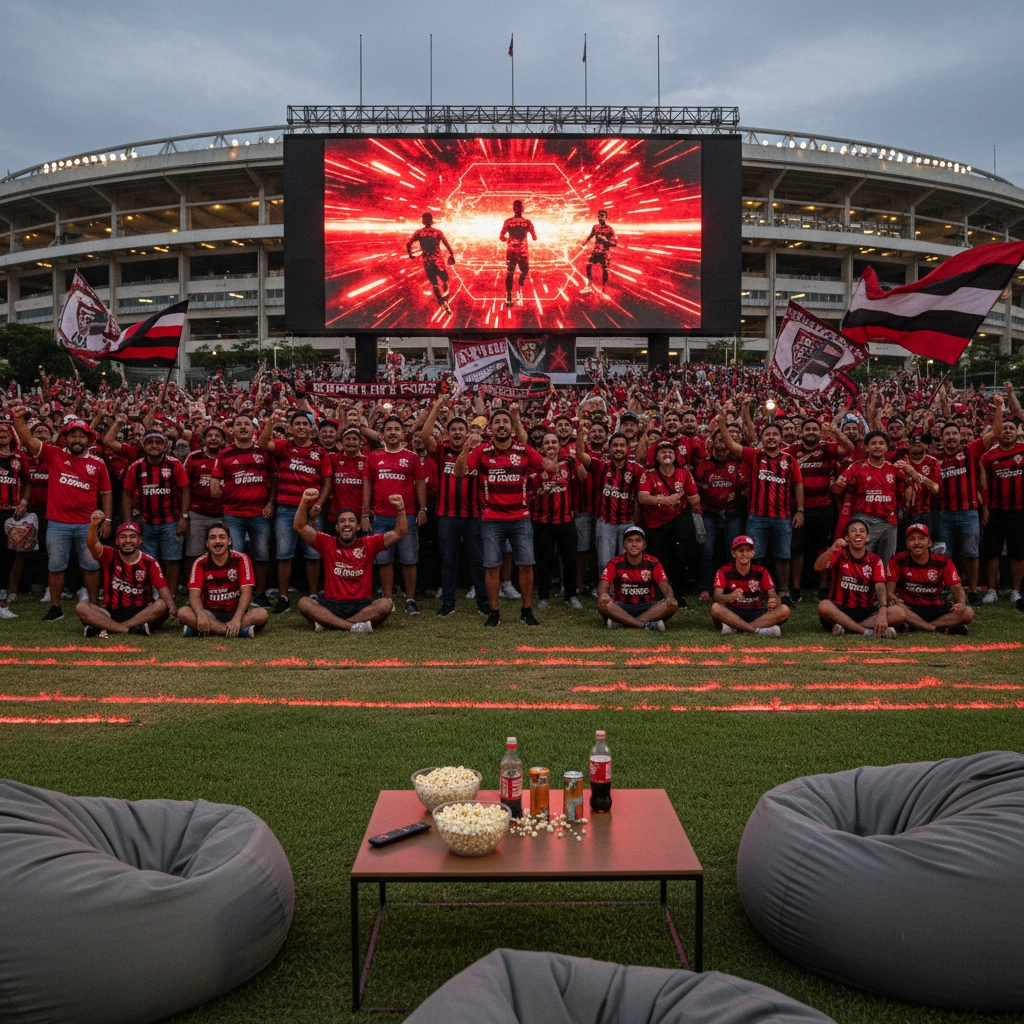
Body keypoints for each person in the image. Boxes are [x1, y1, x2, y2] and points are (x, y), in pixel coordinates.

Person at [8, 401, 112, 622]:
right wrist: (18, 420)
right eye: (72, 436)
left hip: (88, 524)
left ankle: (93, 606)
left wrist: (108, 519)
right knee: (56, 566)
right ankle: (56, 608)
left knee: (91, 566)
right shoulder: (54, 455)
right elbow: (28, 440)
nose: (76, 440)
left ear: (88, 439)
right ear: (65, 438)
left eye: (81, 436)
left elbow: (106, 493)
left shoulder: (98, 463)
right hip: (57, 522)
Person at [455, 407, 555, 627]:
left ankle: (526, 611)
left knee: (527, 565)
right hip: (491, 518)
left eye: (505, 422)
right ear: (490, 428)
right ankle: (494, 613)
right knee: (492, 567)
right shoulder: (481, 451)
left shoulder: (524, 450)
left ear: (511, 427)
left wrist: (550, 459)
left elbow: (549, 467)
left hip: (521, 517)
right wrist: (465, 449)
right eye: (497, 422)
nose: (501, 425)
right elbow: (459, 472)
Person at [714, 412, 804, 606]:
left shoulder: (789, 460)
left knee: (783, 556)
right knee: (757, 556)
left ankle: (784, 593)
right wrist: (722, 424)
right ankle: (754, 591)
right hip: (757, 517)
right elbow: (732, 445)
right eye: (767, 434)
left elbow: (798, 484)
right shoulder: (755, 456)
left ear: (781, 439)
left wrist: (800, 510)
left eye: (775, 434)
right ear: (761, 439)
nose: (771, 437)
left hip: (783, 517)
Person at [294, 488, 404, 632]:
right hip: (332, 604)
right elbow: (300, 526)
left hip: (361, 605)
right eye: (342, 521)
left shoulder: (369, 543)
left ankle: (330, 622)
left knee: (385, 604)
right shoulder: (327, 542)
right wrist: (304, 502)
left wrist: (401, 510)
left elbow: (400, 532)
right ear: (337, 527)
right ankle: (353, 627)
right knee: (304, 603)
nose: (346, 524)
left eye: (351, 521)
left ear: (358, 526)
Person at [420, 388, 487, 616]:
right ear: (447, 434)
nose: (457, 432)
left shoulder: (478, 453)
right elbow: (424, 436)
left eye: (461, 429)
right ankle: (448, 604)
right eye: (453, 429)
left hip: (474, 516)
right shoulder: (442, 451)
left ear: (467, 432)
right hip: (447, 516)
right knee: (449, 561)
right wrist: (437, 407)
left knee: (477, 561)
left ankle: (483, 603)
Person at [257, 409, 331, 614]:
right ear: (290, 428)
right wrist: (271, 422)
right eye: (297, 424)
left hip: (311, 511)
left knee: (313, 553)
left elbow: (327, 483)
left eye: (304, 424)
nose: (301, 427)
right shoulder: (284, 447)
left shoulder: (320, 452)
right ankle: (283, 597)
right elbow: (263, 443)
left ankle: (314, 594)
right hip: (286, 508)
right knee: (283, 554)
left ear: (311, 428)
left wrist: (319, 505)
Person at [933, 396, 1002, 604]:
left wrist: (999, 407)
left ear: (960, 437)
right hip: (944, 514)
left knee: (970, 554)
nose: (952, 437)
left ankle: (972, 591)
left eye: (954, 433)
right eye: (947, 434)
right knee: (944, 556)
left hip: (968, 512)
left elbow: (996, 433)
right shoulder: (935, 459)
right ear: (941, 438)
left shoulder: (970, 451)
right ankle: (947, 591)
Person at [362, 415, 427, 614]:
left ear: (402, 434)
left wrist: (422, 509)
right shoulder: (373, 457)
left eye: (396, 429)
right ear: (382, 434)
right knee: (384, 560)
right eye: (389, 429)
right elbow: (367, 484)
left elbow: (420, 483)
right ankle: (388, 600)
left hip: (406, 516)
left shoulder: (412, 457)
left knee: (409, 559)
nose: (392, 432)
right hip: (380, 517)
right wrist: (365, 514)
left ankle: (410, 599)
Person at [76, 513, 176, 637]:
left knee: (162, 604)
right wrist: (94, 524)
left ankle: (107, 627)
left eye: (132, 536)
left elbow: (162, 587)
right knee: (81, 607)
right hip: (112, 612)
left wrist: (172, 608)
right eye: (123, 537)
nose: (128, 541)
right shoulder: (110, 555)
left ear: (140, 540)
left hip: (141, 612)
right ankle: (129, 629)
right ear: (117, 540)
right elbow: (92, 545)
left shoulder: (149, 562)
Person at [210, 413, 274, 606]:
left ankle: (260, 594)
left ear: (254, 429)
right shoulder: (224, 454)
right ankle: (235, 594)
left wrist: (271, 502)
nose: (243, 427)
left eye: (247, 424)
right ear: (233, 430)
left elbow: (274, 478)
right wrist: (229, 495)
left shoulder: (263, 453)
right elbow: (214, 486)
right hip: (233, 515)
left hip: (260, 514)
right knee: (233, 555)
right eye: (239, 424)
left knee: (261, 555)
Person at [787, 417, 851, 602]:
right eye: (807, 429)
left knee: (823, 548)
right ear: (802, 432)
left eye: (814, 429)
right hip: (799, 509)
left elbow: (848, 448)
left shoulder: (826, 448)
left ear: (819, 432)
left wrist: (834, 432)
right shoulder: (793, 450)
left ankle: (823, 589)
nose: (811, 433)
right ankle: (795, 590)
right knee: (797, 550)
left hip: (824, 507)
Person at [122, 431, 191, 596]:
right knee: (148, 561)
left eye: (158, 442)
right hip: (146, 522)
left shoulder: (174, 465)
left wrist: (184, 516)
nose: (154, 446)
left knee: (172, 560)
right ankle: (152, 594)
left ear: (165, 446)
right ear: (144, 446)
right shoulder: (136, 467)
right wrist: (127, 522)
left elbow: (185, 490)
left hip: (171, 521)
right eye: (150, 442)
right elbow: (127, 493)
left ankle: (171, 595)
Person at [816, 519, 905, 637]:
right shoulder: (839, 553)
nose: (858, 533)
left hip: (865, 610)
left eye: (862, 531)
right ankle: (867, 631)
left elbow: (880, 585)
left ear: (867, 538)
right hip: (841, 608)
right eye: (853, 531)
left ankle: (848, 627)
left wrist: (883, 610)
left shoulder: (875, 559)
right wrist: (833, 548)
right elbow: (818, 567)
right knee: (824, 606)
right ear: (847, 538)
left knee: (899, 613)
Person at [178, 522, 269, 638]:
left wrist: (236, 619)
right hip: (209, 613)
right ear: (207, 543)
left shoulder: (242, 559)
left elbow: (246, 592)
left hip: (236, 612)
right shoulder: (199, 563)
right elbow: (194, 595)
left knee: (261, 614)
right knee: (183, 613)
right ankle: (234, 631)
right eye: (212, 538)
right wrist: (201, 615)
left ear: (229, 541)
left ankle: (205, 630)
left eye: (222, 537)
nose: (217, 541)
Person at [637, 440, 700, 597]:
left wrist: (687, 497)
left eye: (670, 452)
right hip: (655, 525)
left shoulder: (684, 474)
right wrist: (665, 500)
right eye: (663, 452)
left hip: (677, 524)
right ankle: (659, 594)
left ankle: (679, 595)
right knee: (657, 560)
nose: (667, 454)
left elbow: (695, 498)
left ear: (675, 456)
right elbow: (642, 497)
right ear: (657, 457)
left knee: (678, 559)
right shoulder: (648, 475)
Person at [886, 523, 974, 635]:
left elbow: (957, 589)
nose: (917, 542)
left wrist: (960, 604)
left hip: (935, 607)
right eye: (912, 539)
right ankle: (933, 627)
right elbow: (889, 591)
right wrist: (894, 599)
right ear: (907, 544)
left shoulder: (943, 562)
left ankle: (918, 625)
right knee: (896, 609)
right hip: (909, 607)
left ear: (929, 542)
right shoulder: (897, 560)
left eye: (921, 539)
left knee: (968, 612)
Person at [694, 423, 747, 601]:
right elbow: (697, 488)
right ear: (713, 442)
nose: (722, 443)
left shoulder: (738, 462)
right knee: (707, 550)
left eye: (725, 440)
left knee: (731, 551)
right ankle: (705, 587)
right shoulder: (704, 464)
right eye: (718, 440)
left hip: (733, 512)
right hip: (709, 512)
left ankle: (729, 586)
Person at [831, 430, 900, 568]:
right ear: (867, 447)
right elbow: (836, 489)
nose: (877, 446)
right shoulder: (856, 467)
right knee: (861, 560)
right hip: (863, 520)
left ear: (886, 447)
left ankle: (883, 589)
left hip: (889, 521)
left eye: (881, 443)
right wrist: (841, 485)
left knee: (886, 563)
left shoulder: (894, 469)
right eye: (873, 443)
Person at [577, 429, 642, 572]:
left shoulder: (636, 469)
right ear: (609, 448)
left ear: (627, 448)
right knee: (605, 562)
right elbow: (581, 455)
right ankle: (606, 592)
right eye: (615, 445)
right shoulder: (601, 466)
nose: (618, 449)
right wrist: (580, 435)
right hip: (605, 522)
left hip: (627, 521)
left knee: (627, 560)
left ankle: (623, 591)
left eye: (621, 445)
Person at [530, 431, 582, 610]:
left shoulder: (568, 462)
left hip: (566, 520)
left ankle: (571, 595)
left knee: (569, 560)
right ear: (542, 447)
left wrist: (579, 457)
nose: (551, 445)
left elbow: (581, 478)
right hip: (543, 521)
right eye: (547, 443)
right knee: (544, 561)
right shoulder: (536, 465)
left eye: (554, 442)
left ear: (559, 446)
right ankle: (543, 597)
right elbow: (530, 491)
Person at [596, 525, 678, 631]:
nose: (634, 544)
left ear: (644, 544)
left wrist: (669, 596)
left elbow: (665, 585)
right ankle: (644, 625)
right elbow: (603, 584)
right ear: (624, 544)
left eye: (638, 541)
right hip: (621, 606)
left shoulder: (653, 562)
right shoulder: (615, 563)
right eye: (630, 541)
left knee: (673, 603)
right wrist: (604, 594)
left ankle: (624, 623)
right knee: (602, 601)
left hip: (647, 607)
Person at [978, 415, 1024, 604]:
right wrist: (985, 507)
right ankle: (992, 590)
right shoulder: (989, 456)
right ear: (998, 434)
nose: (1007, 431)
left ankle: (1016, 590)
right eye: (1003, 428)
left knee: (1018, 553)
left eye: (1011, 428)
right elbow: (983, 485)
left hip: (1019, 511)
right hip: (995, 511)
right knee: (992, 552)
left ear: (1017, 433)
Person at [710, 535, 790, 637]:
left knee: (784, 609)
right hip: (733, 612)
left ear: (753, 553)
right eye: (740, 551)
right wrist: (730, 596)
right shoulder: (724, 570)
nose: (745, 554)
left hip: (756, 612)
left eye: (748, 550)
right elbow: (716, 597)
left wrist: (774, 600)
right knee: (715, 607)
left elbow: (772, 593)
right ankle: (758, 630)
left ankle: (737, 629)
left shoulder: (761, 571)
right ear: (733, 553)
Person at [183, 423, 226, 580]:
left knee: (222, 552)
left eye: (217, 436)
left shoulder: (228, 457)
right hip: (197, 513)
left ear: (223, 440)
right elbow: (184, 486)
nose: (213, 439)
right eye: (210, 436)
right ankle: (193, 585)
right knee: (193, 553)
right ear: (204, 439)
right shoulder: (193, 458)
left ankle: (218, 583)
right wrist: (185, 514)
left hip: (223, 514)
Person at [0, 421, 30, 617]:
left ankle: (5, 595)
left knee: (8, 554)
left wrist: (24, 502)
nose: (1, 435)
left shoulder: (19, 457)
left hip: (11, 512)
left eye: (5, 432)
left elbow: (27, 481)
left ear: (11, 436)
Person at [407, 212, 455, 315]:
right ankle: (445, 300)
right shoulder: (437, 232)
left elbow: (409, 243)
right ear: (432, 221)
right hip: (438, 261)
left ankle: (441, 303)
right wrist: (452, 255)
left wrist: (410, 254)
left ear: (423, 221)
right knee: (445, 281)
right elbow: (447, 245)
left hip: (427, 262)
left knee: (435, 284)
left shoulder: (418, 233)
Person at [499, 199, 536, 309]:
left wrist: (509, 240)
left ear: (514, 209)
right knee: (525, 270)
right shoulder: (527, 222)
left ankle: (509, 297)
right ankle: (520, 285)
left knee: (510, 272)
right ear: (523, 209)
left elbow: (501, 237)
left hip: (511, 251)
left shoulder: (508, 222)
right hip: (523, 252)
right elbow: (534, 238)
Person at [580, 209, 616, 296]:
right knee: (588, 265)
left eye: (602, 216)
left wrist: (605, 241)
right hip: (596, 251)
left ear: (606, 217)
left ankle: (604, 287)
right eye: (599, 216)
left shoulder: (610, 229)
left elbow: (614, 244)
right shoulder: (595, 227)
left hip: (605, 253)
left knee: (605, 271)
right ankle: (589, 284)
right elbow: (591, 235)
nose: (601, 218)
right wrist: (585, 241)